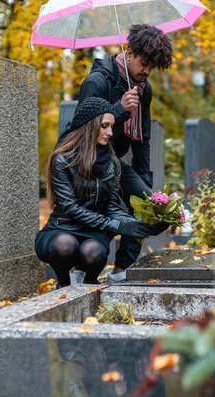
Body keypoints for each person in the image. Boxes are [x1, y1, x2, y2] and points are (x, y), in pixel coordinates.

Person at [73, 24, 174, 282]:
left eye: (152, 66)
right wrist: (119, 109)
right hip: (89, 164)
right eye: (144, 63)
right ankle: (81, 270)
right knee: (103, 212)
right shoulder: (97, 81)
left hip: (117, 163)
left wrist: (145, 178)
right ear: (129, 53)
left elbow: (142, 139)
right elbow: (81, 130)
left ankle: (121, 271)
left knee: (148, 206)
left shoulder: (144, 89)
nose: (147, 71)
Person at [36, 97, 163, 287]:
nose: (111, 132)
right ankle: (63, 284)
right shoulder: (62, 159)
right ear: (89, 126)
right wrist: (117, 226)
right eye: (104, 126)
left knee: (93, 252)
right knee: (65, 245)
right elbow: (70, 208)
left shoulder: (110, 162)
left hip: (94, 233)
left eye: (111, 126)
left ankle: (90, 283)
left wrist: (138, 224)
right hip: (63, 228)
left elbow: (112, 206)